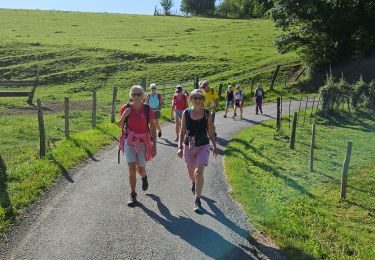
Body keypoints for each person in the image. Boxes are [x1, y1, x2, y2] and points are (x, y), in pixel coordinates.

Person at [177, 89, 217, 213]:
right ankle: (194, 183)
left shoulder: (207, 113)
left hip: (203, 145)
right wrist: (179, 146)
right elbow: (182, 131)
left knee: (199, 172)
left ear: (203, 100)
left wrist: (214, 145)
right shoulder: (186, 113)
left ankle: (197, 200)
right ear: (191, 99)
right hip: (189, 146)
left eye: (200, 98)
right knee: (191, 173)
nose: (197, 100)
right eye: (195, 98)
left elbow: (210, 130)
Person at [118, 85, 157, 207]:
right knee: (131, 168)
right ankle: (133, 194)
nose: (136, 96)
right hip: (129, 141)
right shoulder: (126, 107)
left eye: (138, 94)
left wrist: (154, 145)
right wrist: (124, 115)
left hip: (143, 141)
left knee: (140, 168)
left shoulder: (147, 109)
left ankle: (144, 177)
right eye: (133, 94)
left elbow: (153, 128)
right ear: (131, 95)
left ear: (143, 96)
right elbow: (119, 125)